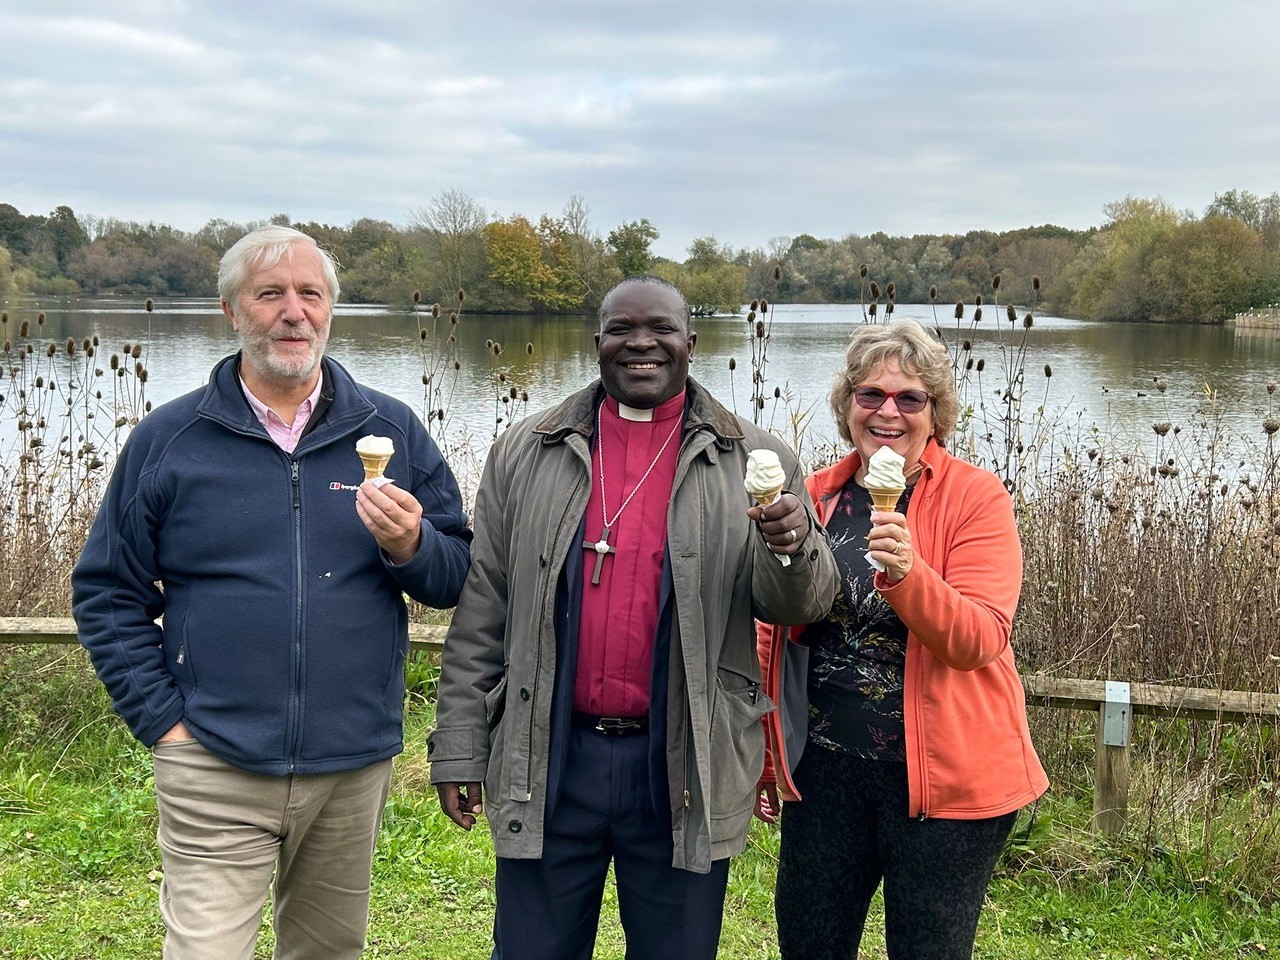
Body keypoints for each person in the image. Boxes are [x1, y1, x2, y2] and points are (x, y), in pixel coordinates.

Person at [72, 225, 472, 960]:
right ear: (233, 311)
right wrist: (165, 722)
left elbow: (458, 578)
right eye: (270, 294)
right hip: (213, 759)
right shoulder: (170, 440)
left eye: (310, 294)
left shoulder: (391, 430)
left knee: (326, 952)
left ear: (330, 310)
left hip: (352, 763)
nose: (294, 312)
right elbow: (106, 592)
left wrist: (410, 545)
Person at [428, 275, 838, 960]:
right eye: (622, 329)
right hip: (551, 753)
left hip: (681, 763)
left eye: (661, 329)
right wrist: (460, 747)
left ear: (691, 343)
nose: (641, 343)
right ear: (597, 344)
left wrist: (791, 545)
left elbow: (799, 605)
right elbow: (484, 611)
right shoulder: (527, 450)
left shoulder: (755, 457)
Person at [755, 318, 1048, 960]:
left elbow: (979, 638)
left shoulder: (977, 498)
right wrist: (765, 753)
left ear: (934, 412)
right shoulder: (814, 498)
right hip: (826, 772)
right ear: (848, 406)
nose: (888, 411)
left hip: (944, 784)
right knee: (809, 945)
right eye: (871, 395)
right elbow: (771, 635)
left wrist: (911, 576)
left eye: (909, 398)